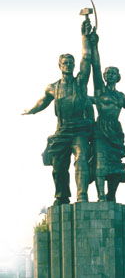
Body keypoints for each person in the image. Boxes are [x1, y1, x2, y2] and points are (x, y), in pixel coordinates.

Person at [22, 19, 95, 205]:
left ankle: (82, 196)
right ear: (60, 65)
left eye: (71, 62)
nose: (69, 64)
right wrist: (31, 110)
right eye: (65, 62)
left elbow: (86, 58)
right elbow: (43, 102)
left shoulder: (81, 82)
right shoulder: (52, 87)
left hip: (79, 129)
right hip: (62, 131)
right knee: (58, 167)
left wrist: (85, 38)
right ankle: (62, 196)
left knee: (81, 158)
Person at [90, 29, 125, 201]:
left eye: (113, 73)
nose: (109, 75)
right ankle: (101, 196)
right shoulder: (100, 90)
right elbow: (96, 65)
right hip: (101, 129)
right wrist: (94, 44)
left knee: (116, 166)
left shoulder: (120, 97)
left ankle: (111, 195)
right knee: (100, 164)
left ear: (118, 77)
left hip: (115, 130)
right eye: (107, 73)